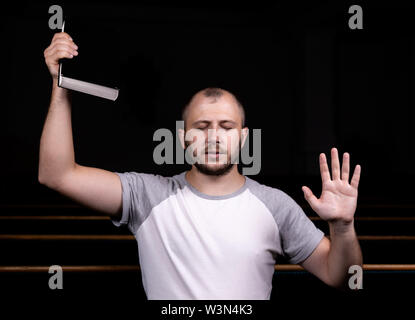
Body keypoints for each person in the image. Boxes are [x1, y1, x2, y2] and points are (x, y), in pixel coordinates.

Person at [40, 31, 363, 300]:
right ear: (182, 138)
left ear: (243, 138)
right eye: (202, 126)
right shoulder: (148, 195)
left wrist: (343, 227)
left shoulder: (275, 205)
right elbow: (58, 175)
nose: (213, 137)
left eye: (226, 127)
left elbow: (341, 278)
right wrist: (61, 86)